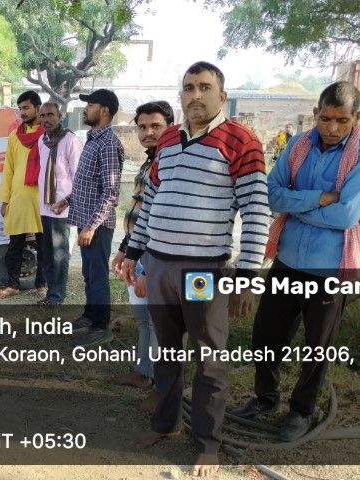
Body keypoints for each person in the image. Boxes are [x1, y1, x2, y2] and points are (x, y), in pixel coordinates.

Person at [122, 61, 270, 477]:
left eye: (205, 87)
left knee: (208, 358)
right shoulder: (169, 139)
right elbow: (151, 200)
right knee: (167, 351)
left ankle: (207, 445)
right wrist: (134, 251)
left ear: (222, 96)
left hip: (202, 271)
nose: (195, 95)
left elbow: (256, 210)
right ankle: (166, 423)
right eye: (189, 87)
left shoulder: (241, 140)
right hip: (160, 268)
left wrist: (247, 277)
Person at [230, 81, 360, 442]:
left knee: (318, 346)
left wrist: (298, 203)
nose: (332, 128)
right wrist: (320, 198)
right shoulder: (298, 145)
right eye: (325, 118)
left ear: (357, 117)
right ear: (315, 113)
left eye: (342, 121)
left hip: (330, 267)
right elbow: (271, 194)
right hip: (287, 260)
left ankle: (301, 411)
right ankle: (266, 398)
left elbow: (346, 215)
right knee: (266, 336)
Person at [109, 101, 174, 405]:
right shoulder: (149, 162)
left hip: (157, 256)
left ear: (170, 127)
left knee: (160, 321)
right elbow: (138, 213)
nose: (148, 132)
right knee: (143, 318)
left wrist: (148, 268)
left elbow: (162, 220)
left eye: (155, 126)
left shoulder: (172, 164)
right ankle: (144, 371)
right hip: (138, 252)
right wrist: (125, 251)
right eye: (142, 127)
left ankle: (162, 385)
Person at [51, 89, 124, 347]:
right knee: (88, 273)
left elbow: (110, 191)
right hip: (86, 221)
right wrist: (67, 200)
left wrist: (92, 226)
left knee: (98, 275)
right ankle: (90, 315)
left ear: (104, 110)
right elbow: (87, 183)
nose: (85, 109)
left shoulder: (109, 144)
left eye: (90, 105)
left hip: (98, 225)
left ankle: (101, 326)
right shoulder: (93, 139)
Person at [0, 90, 47, 300]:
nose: (22, 112)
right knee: (14, 245)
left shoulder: (48, 135)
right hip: (19, 197)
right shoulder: (14, 136)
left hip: (42, 199)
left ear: (38, 108)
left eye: (26, 108)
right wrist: (5, 200)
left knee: (44, 245)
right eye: (20, 109)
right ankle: (12, 285)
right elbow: (9, 169)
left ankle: (41, 284)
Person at [35, 101, 82, 305]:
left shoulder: (70, 140)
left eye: (50, 115)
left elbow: (79, 176)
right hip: (45, 206)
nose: (46, 119)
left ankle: (57, 296)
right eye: (43, 115)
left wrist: (66, 201)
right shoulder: (42, 140)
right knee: (47, 254)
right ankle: (51, 294)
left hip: (62, 208)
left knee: (59, 255)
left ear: (59, 116)